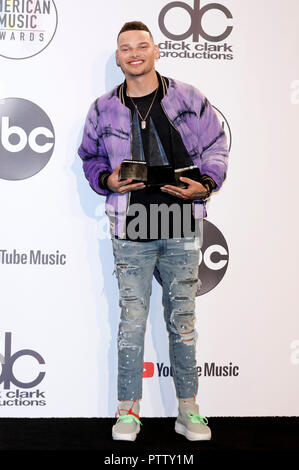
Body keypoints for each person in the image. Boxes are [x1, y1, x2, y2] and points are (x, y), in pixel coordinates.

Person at [78, 21, 228, 442]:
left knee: (183, 321)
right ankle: (127, 413)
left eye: (142, 45)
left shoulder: (188, 97)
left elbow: (217, 144)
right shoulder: (103, 107)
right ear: (118, 57)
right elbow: (89, 155)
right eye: (126, 48)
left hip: (180, 222)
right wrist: (106, 180)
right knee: (131, 322)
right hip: (131, 225)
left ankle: (189, 412)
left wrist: (208, 183)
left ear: (156, 50)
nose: (134, 53)